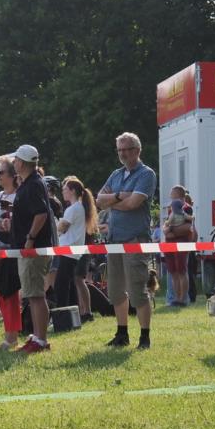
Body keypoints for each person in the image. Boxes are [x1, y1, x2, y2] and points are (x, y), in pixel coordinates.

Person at [96, 132, 157, 350]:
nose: (122, 153)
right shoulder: (116, 174)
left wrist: (113, 200)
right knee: (115, 290)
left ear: (137, 151)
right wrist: (121, 196)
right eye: (120, 149)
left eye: (127, 149)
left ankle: (144, 337)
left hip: (135, 239)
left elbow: (134, 204)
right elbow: (99, 200)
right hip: (114, 239)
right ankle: (122, 334)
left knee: (137, 289)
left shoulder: (146, 174)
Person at [7, 145, 54, 353]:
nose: (13, 163)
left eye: (16, 160)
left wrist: (30, 238)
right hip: (29, 248)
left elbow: (41, 213)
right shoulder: (30, 183)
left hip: (33, 249)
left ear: (22, 163)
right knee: (32, 294)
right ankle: (37, 336)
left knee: (35, 295)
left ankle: (41, 340)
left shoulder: (33, 184)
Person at [0, 157, 23, 350]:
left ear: (12, 175)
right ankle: (9, 333)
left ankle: (12, 335)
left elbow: (17, 225)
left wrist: (0, 224)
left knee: (10, 293)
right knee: (1, 293)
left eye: (1, 172)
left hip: (10, 250)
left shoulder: (19, 196)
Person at [55, 177, 97, 311]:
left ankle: (62, 313)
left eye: (65, 189)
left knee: (61, 285)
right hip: (72, 252)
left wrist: (54, 224)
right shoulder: (79, 208)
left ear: (72, 191)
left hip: (67, 251)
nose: (63, 192)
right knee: (70, 285)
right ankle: (73, 314)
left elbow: (61, 228)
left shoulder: (73, 209)